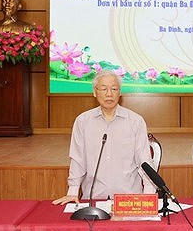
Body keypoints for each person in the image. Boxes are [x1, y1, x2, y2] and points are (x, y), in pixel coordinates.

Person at [52, 70, 155, 205]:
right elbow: (78, 159)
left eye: (113, 89)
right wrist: (72, 192)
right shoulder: (83, 121)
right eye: (103, 89)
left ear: (120, 92)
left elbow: (144, 160)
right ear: (95, 92)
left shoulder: (135, 121)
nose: (109, 94)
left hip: (129, 199)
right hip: (93, 198)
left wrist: (148, 194)